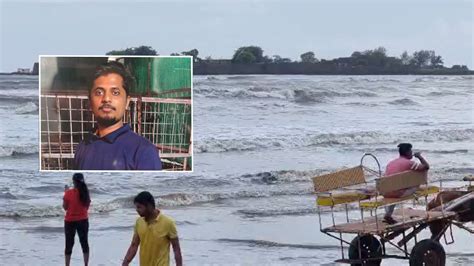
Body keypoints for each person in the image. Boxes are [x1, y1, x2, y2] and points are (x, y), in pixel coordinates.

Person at [74, 61, 162, 170]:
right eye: (99, 92)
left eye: (115, 93)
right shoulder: (83, 146)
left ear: (127, 102)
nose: (106, 99)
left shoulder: (143, 152)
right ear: (90, 102)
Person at [122, 191, 182, 266]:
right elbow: (134, 245)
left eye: (139, 207)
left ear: (149, 206)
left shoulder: (168, 223)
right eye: (136, 207)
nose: (137, 210)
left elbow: (176, 248)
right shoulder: (139, 222)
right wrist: (125, 262)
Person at [383, 143, 430, 224]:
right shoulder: (409, 163)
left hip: (386, 191)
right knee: (417, 184)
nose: (412, 153)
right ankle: (415, 196)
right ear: (408, 152)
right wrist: (419, 156)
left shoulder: (391, 163)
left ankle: (388, 214)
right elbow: (426, 167)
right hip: (397, 193)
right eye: (411, 151)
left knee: (395, 189)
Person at [63, 173, 91, 266]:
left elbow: (65, 207)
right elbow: (87, 207)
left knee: (69, 244)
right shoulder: (86, 193)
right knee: (84, 243)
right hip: (83, 220)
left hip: (70, 221)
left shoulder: (69, 193)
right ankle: (86, 264)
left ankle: (67, 264)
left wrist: (66, 192)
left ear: (74, 182)